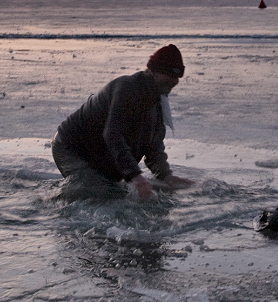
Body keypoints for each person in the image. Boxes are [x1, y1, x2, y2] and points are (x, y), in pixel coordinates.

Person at [52, 44, 194, 201]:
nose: (173, 81)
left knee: (116, 193)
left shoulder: (158, 101)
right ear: (153, 72)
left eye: (176, 77)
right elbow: (113, 135)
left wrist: (166, 175)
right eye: (168, 74)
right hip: (71, 148)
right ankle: (53, 203)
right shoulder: (127, 89)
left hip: (101, 156)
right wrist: (136, 176)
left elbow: (153, 144)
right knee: (100, 196)